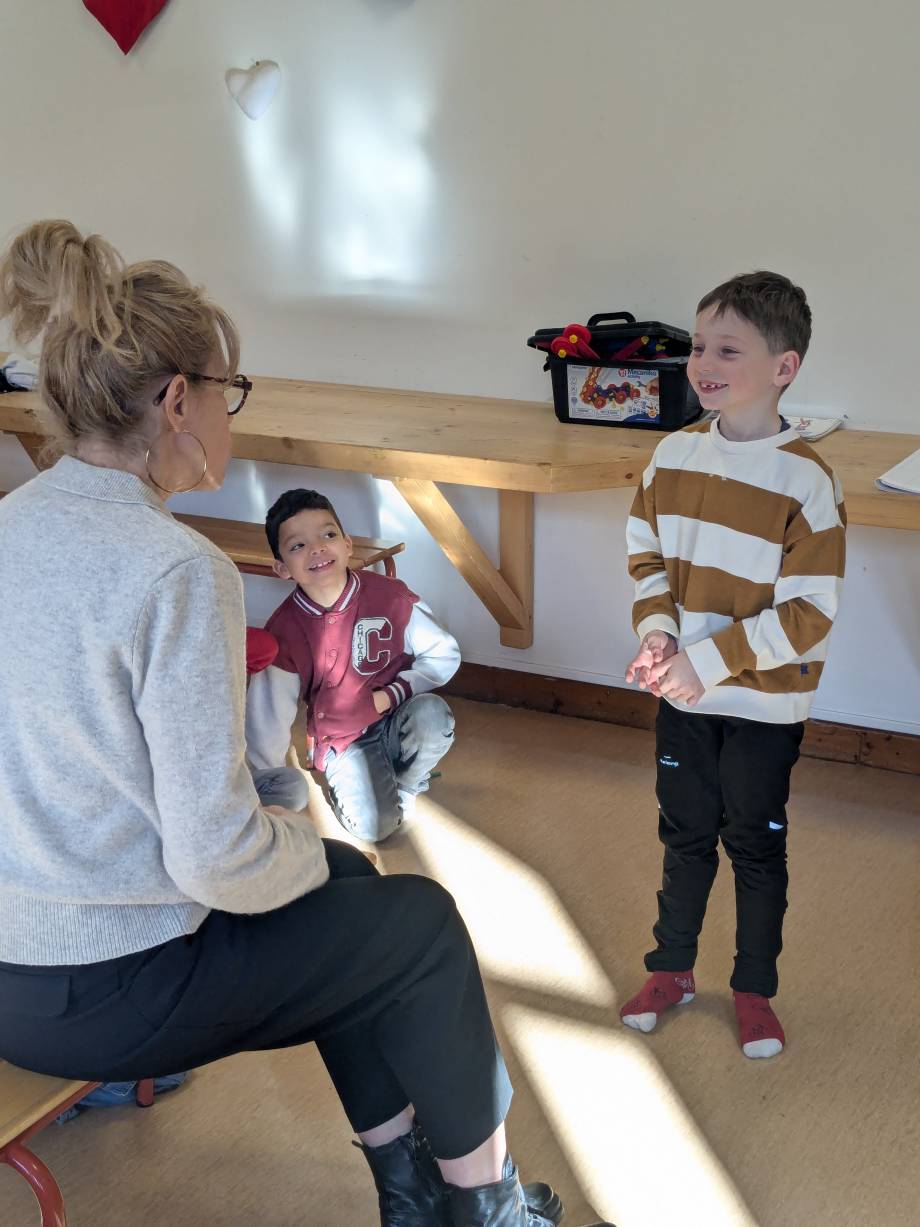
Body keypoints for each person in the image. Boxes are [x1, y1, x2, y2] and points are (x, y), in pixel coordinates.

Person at [0, 219, 611, 1227]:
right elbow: (214, 860)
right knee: (419, 927)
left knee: (344, 886)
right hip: (106, 991)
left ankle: (411, 1192)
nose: (231, 414)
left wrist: (298, 851)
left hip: (15, 967)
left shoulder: (13, 521)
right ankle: (488, 1207)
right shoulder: (175, 570)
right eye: (227, 390)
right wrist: (288, 830)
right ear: (177, 402)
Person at [622, 271, 846, 1059]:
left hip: (763, 708)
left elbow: (810, 613)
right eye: (698, 346)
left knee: (753, 845)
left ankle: (753, 990)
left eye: (727, 349)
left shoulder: (807, 481)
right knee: (684, 836)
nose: (702, 363)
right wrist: (659, 634)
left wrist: (707, 661)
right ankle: (671, 970)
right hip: (683, 695)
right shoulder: (672, 455)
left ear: (784, 367)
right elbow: (647, 557)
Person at [246, 488, 459, 843]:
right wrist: (269, 782)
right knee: (374, 828)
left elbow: (444, 654)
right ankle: (370, 776)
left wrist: (389, 697)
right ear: (282, 568)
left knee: (434, 716)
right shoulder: (285, 629)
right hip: (344, 740)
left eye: (328, 535)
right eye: (298, 545)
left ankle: (407, 783)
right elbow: (268, 715)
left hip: (397, 717)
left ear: (347, 545)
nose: (317, 548)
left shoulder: (390, 597)